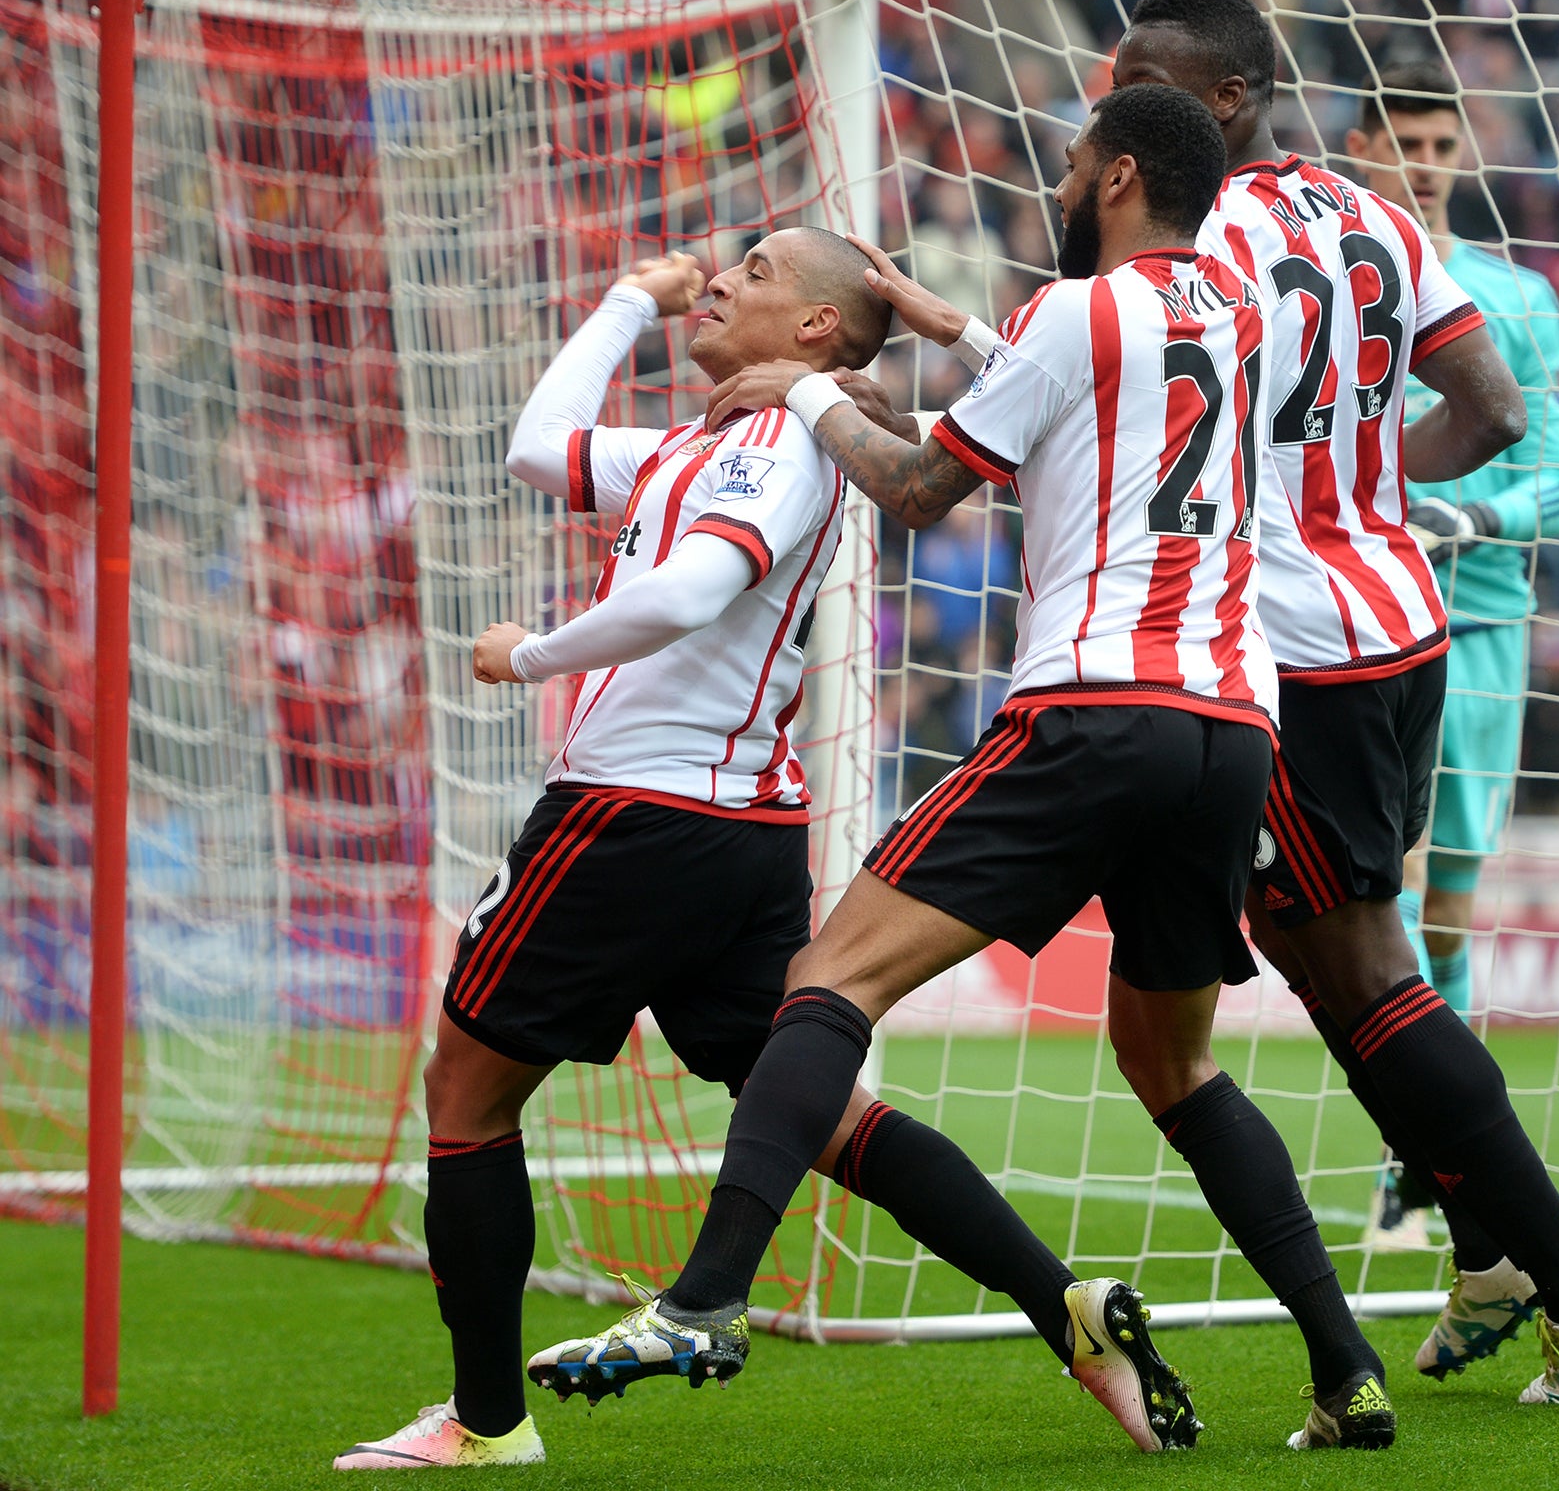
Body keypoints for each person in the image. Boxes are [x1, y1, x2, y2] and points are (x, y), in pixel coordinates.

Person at [534, 81, 1404, 1453]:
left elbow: (925, 488)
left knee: (826, 983)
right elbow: (1112, 393)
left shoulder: (1074, 312)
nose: (1057, 183)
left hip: (1095, 706)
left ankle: (706, 1300)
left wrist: (814, 392)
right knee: (1173, 1068)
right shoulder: (1239, 313)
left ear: (1117, 177)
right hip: (1233, 722)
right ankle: (1346, 1368)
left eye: (1071, 164)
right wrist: (947, 327)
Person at [336, 231, 1191, 1469]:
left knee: (465, 1093)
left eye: (757, 268)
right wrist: (631, 298)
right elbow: (539, 447)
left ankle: (483, 1423)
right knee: (825, 1116)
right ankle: (1064, 1311)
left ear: (815, 332)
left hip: (635, 815)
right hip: (741, 833)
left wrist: (525, 655)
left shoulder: (780, 440)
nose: (724, 275)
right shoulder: (693, 441)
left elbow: (688, 594)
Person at [1111, 0, 1559, 1406]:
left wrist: (1289, 497)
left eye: (1141, 87)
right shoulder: (1373, 218)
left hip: (1292, 650)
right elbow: (1492, 411)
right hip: (1401, 622)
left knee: (1363, 971)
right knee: (1332, 960)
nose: (1112, 112)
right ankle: (1488, 1251)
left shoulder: (1193, 240)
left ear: (1224, 101)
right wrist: (1358, 486)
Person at [1342, 56, 1559, 1243]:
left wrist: (1477, 516)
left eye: (1442, 146)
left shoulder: (1518, 298)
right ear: (1362, 149)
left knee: (1442, 912)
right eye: (1404, 142)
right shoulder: (1326, 283)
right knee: (1362, 904)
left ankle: (1426, 1154)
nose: (1427, 164)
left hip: (1477, 618)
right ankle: (1415, 1144)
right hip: (1344, 617)